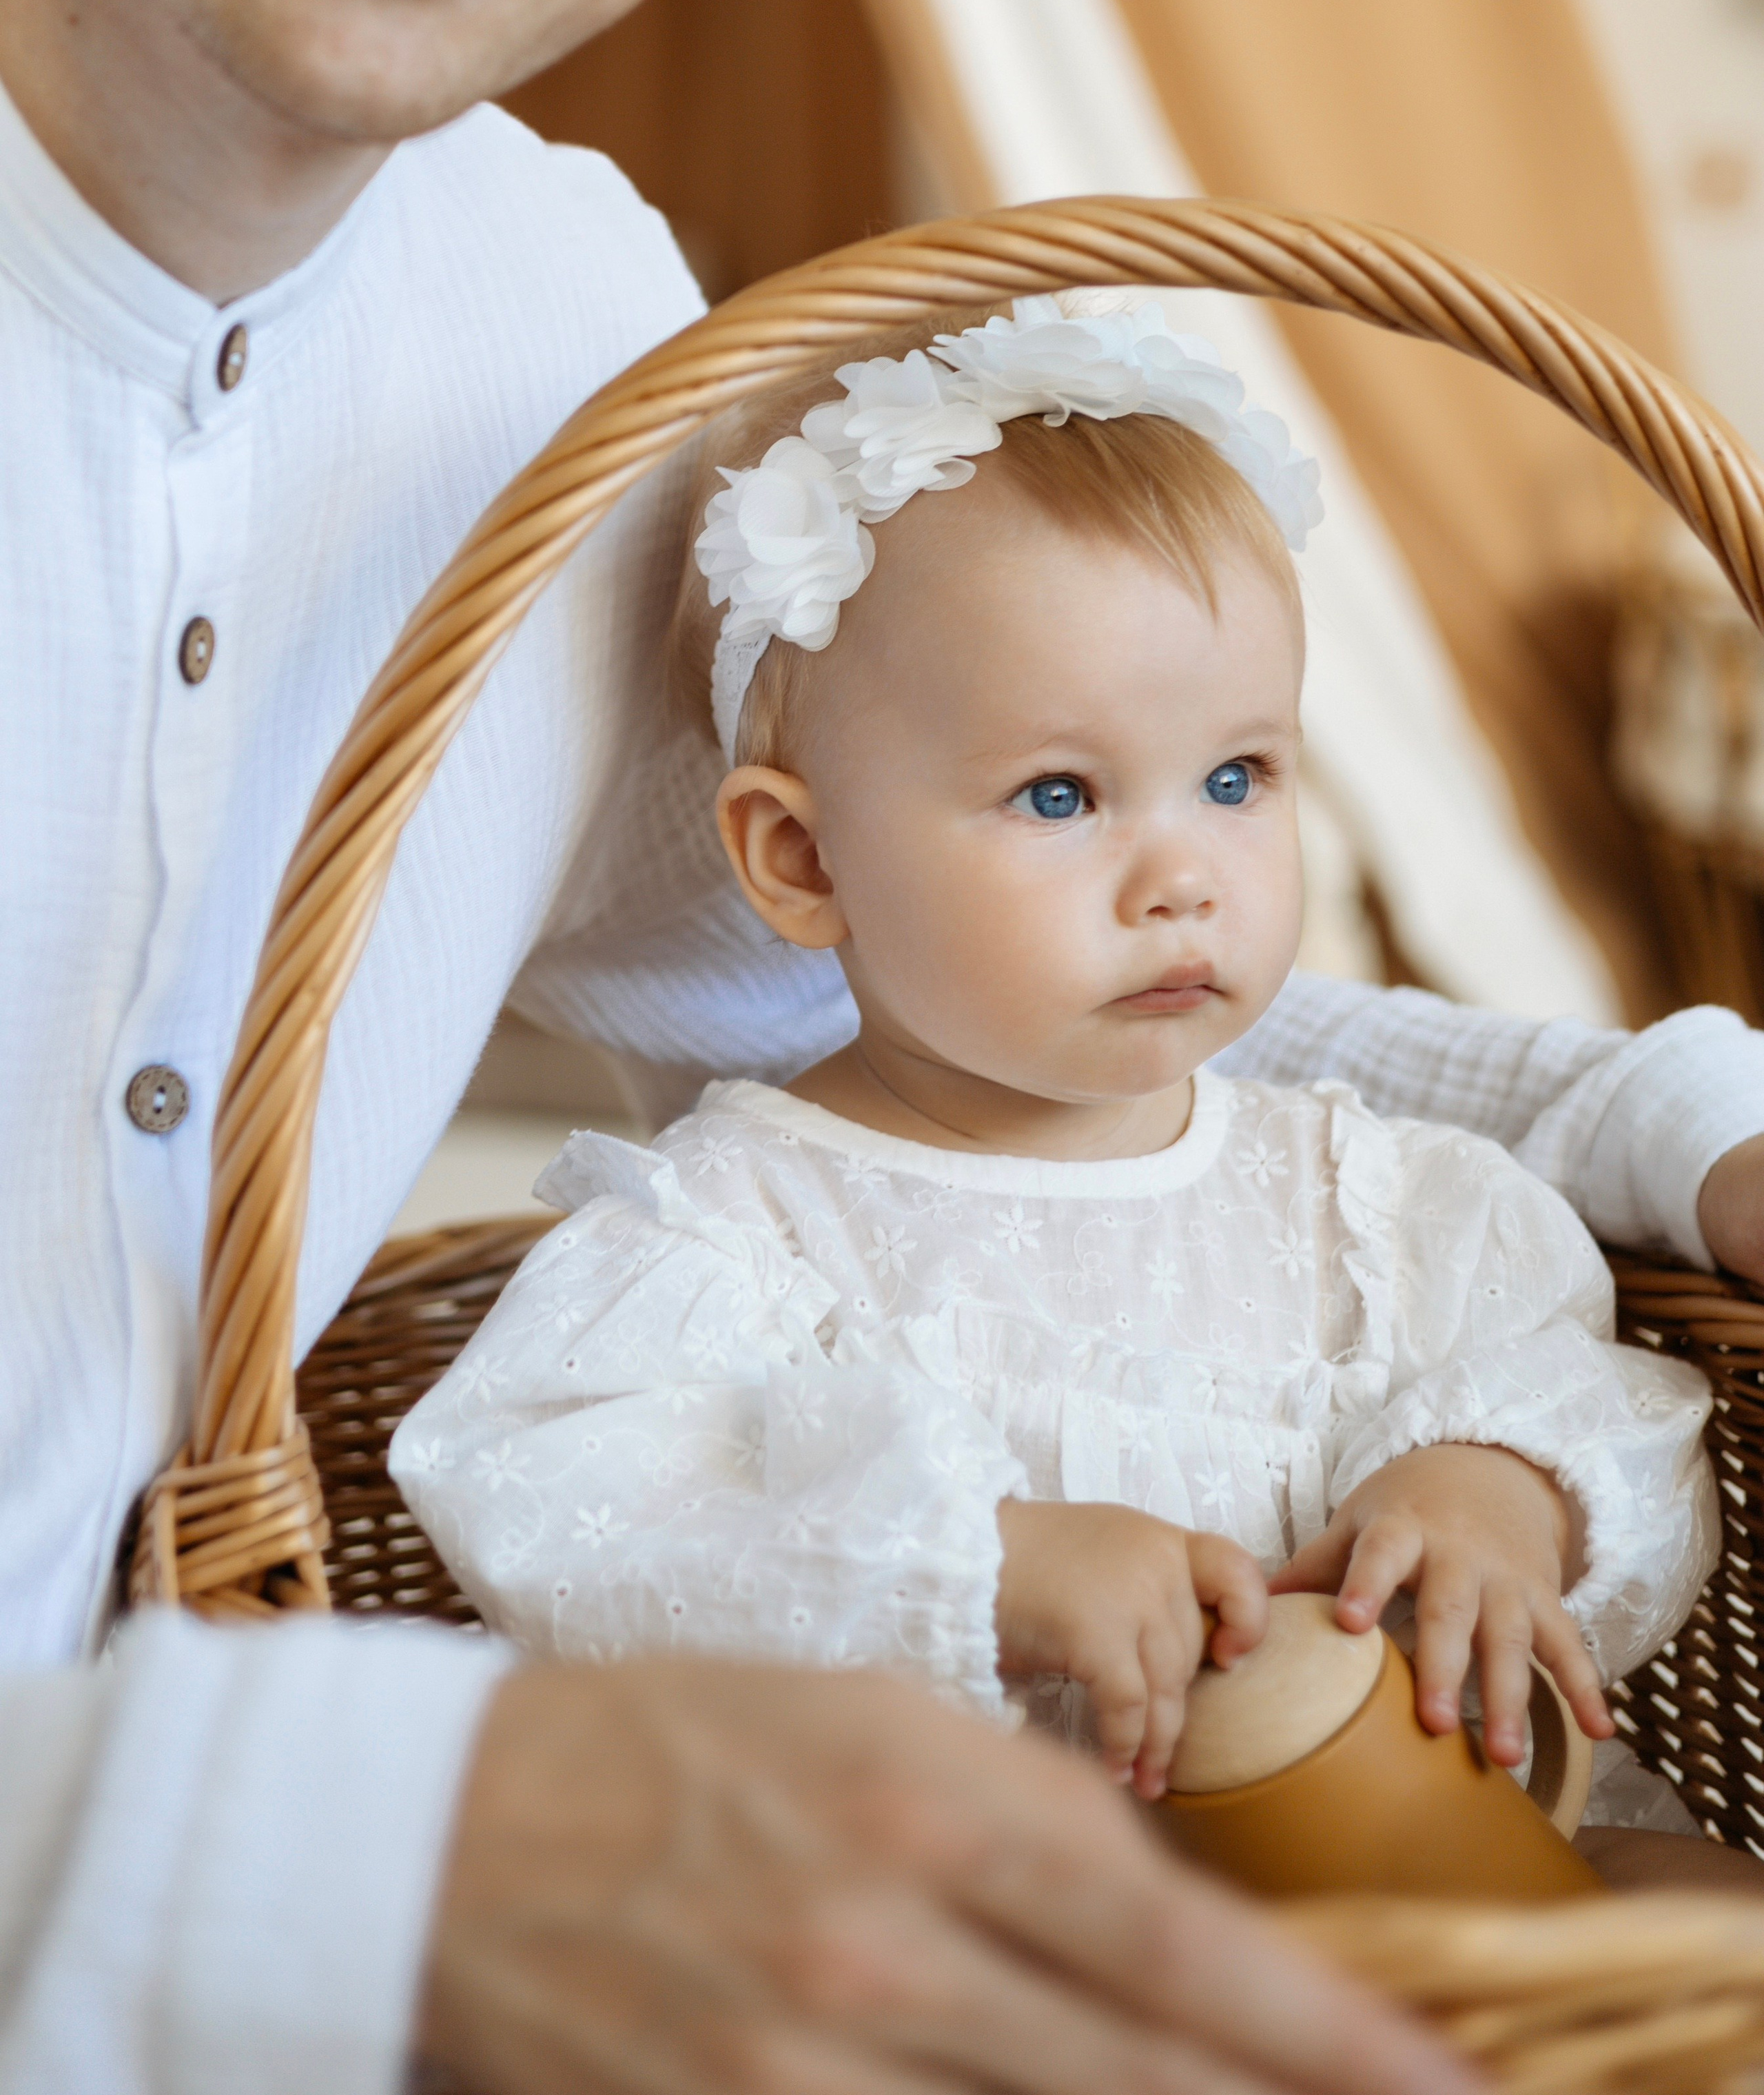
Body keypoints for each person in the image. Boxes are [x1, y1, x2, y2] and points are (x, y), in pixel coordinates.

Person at [0, 0, 1761, 2095]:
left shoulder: (564, 340)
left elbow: (1034, 1017)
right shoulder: (707, 1269)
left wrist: (1658, 1123)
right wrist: (374, 1861)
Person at [391, 296, 1716, 1846]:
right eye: (1058, 794)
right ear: (802, 858)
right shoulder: (731, 1231)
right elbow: (565, 1510)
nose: (1180, 877)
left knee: (1697, 1929)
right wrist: (979, 1565)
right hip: (965, 1925)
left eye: (1235, 778)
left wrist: (1495, 1487)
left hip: (1393, 1872)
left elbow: (1591, 1390)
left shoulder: (1380, 1202)